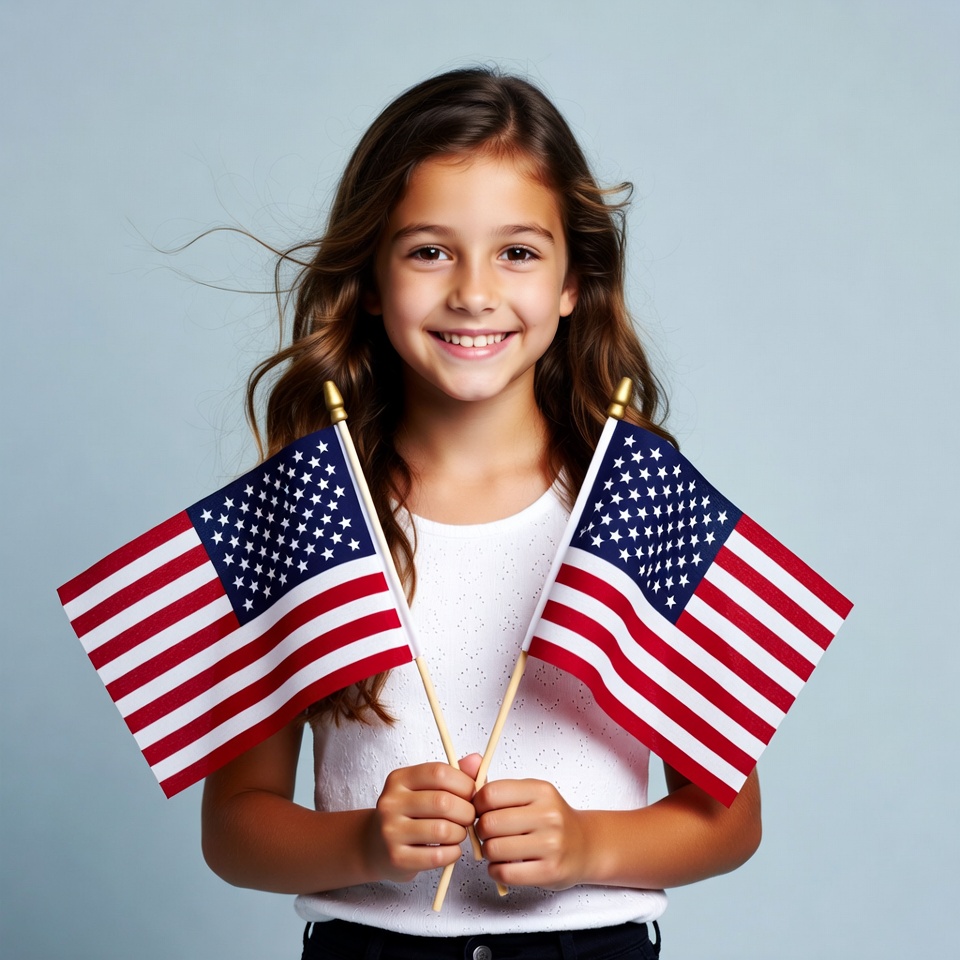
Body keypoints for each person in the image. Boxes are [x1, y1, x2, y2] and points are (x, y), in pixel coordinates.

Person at [201, 67, 762, 960]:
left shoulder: (635, 500)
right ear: (372, 279)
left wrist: (588, 843)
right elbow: (233, 828)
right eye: (429, 250)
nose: (472, 291)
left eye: (518, 252)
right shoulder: (310, 508)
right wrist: (361, 843)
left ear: (576, 279)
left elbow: (728, 819)